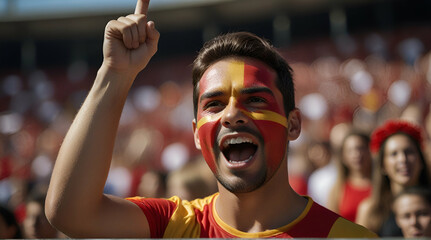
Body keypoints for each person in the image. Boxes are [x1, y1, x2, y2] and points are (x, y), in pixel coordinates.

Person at [45, 0, 377, 238]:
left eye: (255, 99)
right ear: (194, 133)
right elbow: (70, 213)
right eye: (214, 104)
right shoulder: (173, 225)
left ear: (293, 124)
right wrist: (114, 74)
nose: (232, 114)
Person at [356, 119, 430, 236]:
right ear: (383, 165)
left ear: (420, 160)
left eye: (409, 152)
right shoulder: (370, 210)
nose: (403, 159)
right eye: (394, 154)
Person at [327, 131, 372, 222]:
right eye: (350, 150)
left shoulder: (382, 186)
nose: (357, 154)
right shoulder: (338, 189)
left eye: (361, 148)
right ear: (343, 156)